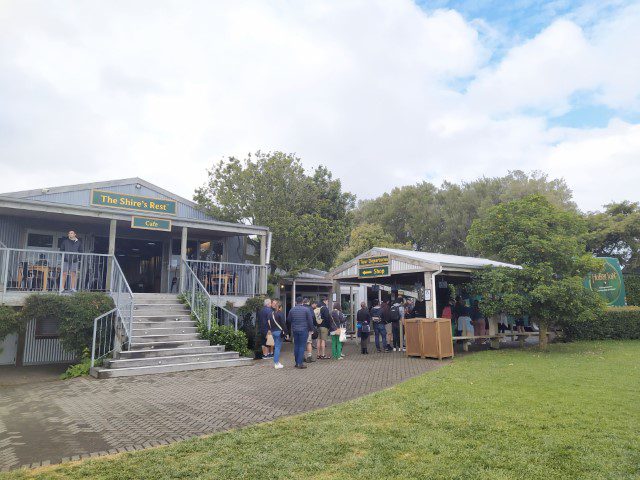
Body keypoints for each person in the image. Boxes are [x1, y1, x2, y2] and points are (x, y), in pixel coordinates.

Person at [286, 296, 314, 368]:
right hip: (304, 330)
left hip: (295, 330)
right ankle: (300, 363)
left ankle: (296, 362)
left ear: (296, 302)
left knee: (296, 345)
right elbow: (310, 321)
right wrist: (311, 329)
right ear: (302, 302)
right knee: (302, 346)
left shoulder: (292, 310)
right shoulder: (306, 310)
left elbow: (288, 320)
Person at [268, 300, 286, 369]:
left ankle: (277, 362)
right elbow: (283, 324)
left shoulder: (271, 313)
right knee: (278, 348)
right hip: (279, 332)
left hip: (273, 332)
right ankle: (276, 363)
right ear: (280, 307)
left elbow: (269, 323)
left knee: (276, 347)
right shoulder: (280, 314)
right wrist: (286, 333)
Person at [303, 298, 317, 363]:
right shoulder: (309, 309)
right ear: (308, 302)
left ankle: (302, 356)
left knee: (301, 343)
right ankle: (309, 356)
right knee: (309, 342)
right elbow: (312, 319)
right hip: (308, 329)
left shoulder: (299, 308)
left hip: (300, 328)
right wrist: (312, 328)